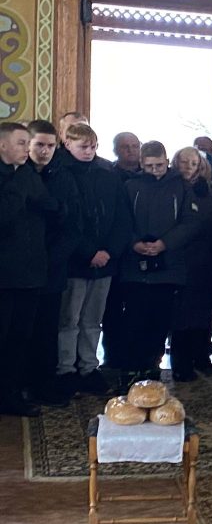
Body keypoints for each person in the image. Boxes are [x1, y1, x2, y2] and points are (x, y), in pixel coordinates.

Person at [56, 122, 131, 399]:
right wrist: (88, 252)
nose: (88, 152)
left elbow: (122, 217)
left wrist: (109, 251)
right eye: (83, 147)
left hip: (105, 260)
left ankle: (88, 367)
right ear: (68, 145)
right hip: (75, 261)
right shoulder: (60, 172)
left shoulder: (107, 173)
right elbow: (66, 221)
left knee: (92, 319)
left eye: (93, 147)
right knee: (69, 318)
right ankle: (65, 369)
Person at [120, 141, 200, 379]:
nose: (155, 171)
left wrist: (165, 243)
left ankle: (151, 367)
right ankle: (131, 368)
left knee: (160, 321)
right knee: (134, 320)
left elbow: (190, 222)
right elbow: (121, 220)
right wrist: (134, 243)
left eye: (159, 165)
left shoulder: (181, 186)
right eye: (149, 166)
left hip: (169, 266)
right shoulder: (131, 186)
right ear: (141, 164)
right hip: (135, 266)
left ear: (166, 161)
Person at [0, 122, 60, 416]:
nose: (28, 149)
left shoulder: (27, 175)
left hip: (31, 272)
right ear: (3, 145)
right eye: (22, 143)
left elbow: (50, 206)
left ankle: (10, 394)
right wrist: (20, 186)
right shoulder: (20, 178)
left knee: (20, 339)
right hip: (4, 275)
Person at [24, 120, 82, 407]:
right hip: (19, 269)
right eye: (39, 145)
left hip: (51, 268)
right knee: (19, 331)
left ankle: (44, 385)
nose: (45, 151)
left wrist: (51, 260)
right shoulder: (17, 174)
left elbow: (72, 226)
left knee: (47, 331)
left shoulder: (63, 177)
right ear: (28, 145)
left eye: (50, 146)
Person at [170, 146, 212, 381]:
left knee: (205, 313)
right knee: (182, 317)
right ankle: (181, 364)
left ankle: (201, 356)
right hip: (182, 259)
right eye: (184, 162)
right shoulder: (172, 187)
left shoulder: (207, 190)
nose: (189, 167)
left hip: (206, 260)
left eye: (194, 163)